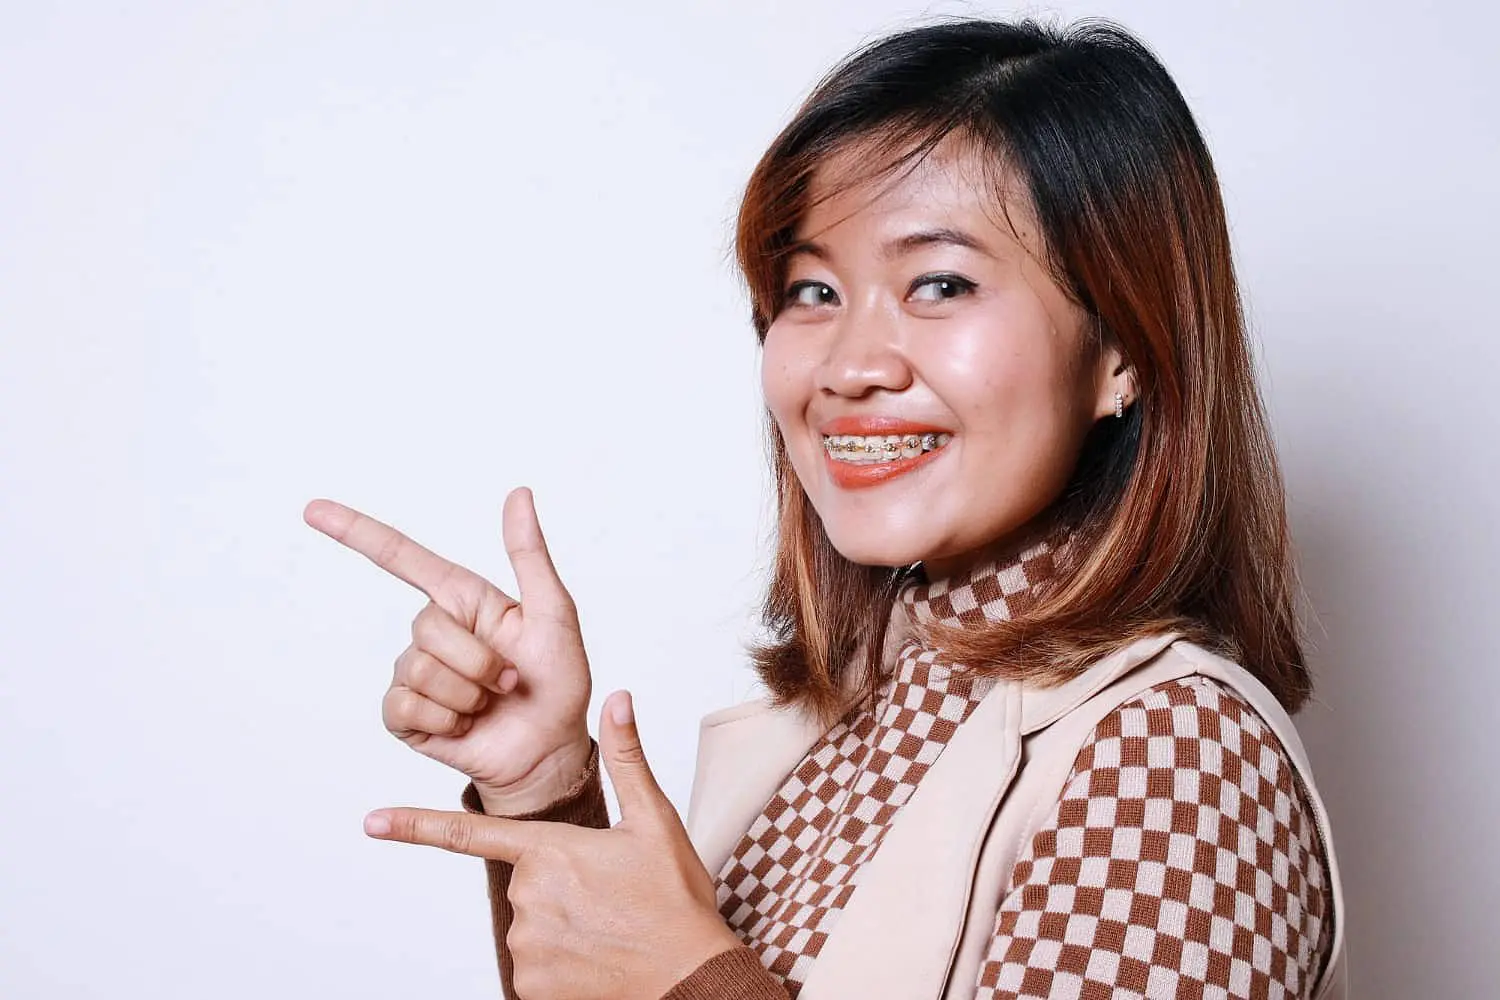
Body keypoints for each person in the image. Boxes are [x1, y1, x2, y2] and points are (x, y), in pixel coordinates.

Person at [305, 15, 1347, 1000]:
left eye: (940, 285)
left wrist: (689, 978)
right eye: (811, 291)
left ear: (1121, 349)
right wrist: (548, 790)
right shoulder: (844, 719)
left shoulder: (1175, 752)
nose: (849, 365)